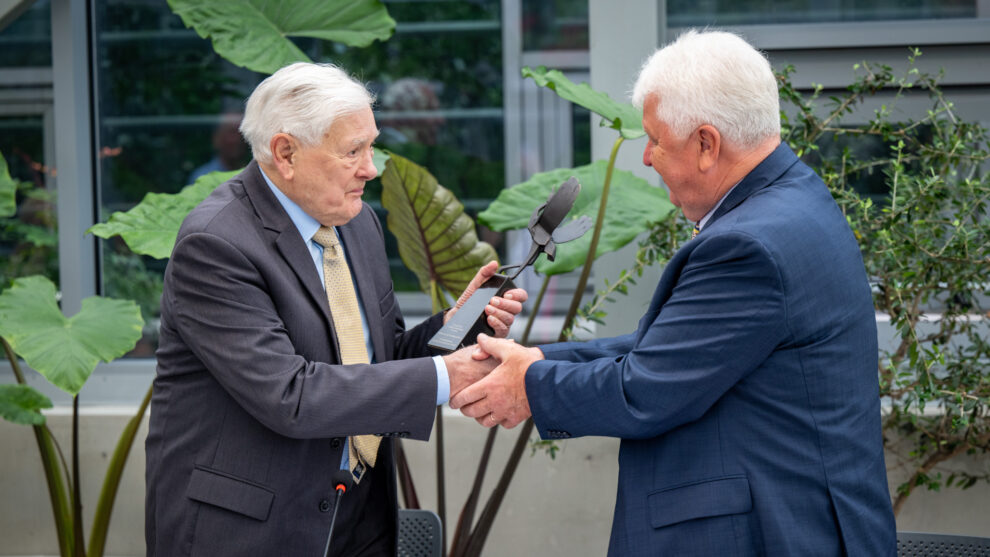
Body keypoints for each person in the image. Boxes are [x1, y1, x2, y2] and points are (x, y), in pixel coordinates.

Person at [451, 30, 897, 556]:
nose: (646, 158)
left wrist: (530, 385)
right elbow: (675, 349)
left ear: (707, 144)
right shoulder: (794, 200)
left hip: (771, 534)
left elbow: (646, 389)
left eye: (656, 140)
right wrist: (538, 359)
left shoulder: (748, 245)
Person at [145, 62, 526, 557]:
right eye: (353, 151)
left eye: (371, 147)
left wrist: (455, 325)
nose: (371, 168)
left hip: (358, 515)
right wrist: (445, 375)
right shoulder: (215, 243)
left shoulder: (357, 221)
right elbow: (289, 395)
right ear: (286, 153)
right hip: (252, 531)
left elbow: (379, 359)